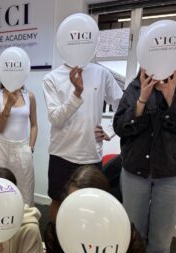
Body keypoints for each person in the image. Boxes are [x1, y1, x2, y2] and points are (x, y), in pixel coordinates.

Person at [113, 60, 176, 253]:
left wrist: (171, 98)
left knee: (160, 242)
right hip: (134, 173)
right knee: (133, 235)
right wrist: (142, 98)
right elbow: (120, 126)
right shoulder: (136, 86)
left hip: (173, 176)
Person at [43, 63, 122, 221]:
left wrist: (110, 129)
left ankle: (83, 243)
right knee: (58, 201)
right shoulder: (51, 78)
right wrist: (77, 94)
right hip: (61, 153)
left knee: (91, 206)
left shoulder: (101, 73)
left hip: (91, 155)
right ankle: (55, 243)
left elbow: (122, 102)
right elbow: (55, 119)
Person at [44, 165, 148, 253]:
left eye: (88, 207)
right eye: (74, 205)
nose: (81, 215)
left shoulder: (126, 235)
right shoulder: (55, 233)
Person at [0, 84, 37, 206]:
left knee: (25, 190)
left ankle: (25, 223)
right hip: (1, 149)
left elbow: (34, 124)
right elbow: (0, 127)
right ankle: (0, 223)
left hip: (23, 147)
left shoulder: (29, 96)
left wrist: (31, 147)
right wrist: (8, 105)